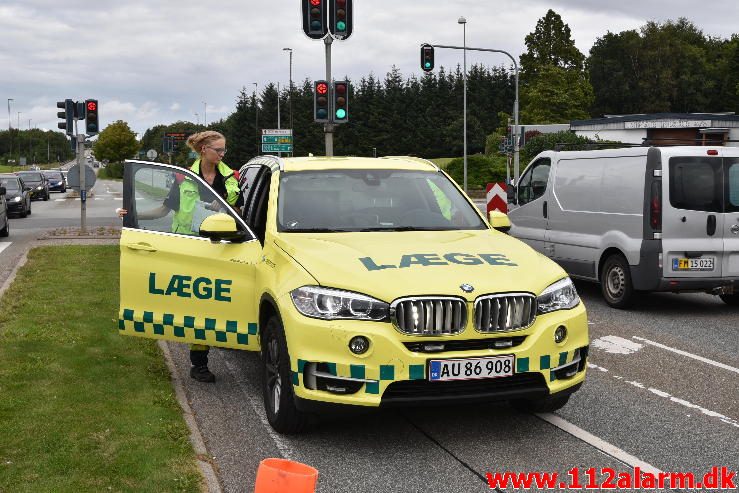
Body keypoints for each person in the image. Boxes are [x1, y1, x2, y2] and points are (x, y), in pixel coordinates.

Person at [117, 130, 242, 383]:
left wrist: (228, 209)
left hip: (225, 248)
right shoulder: (183, 178)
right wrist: (130, 215)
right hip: (191, 249)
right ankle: (199, 365)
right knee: (200, 307)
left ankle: (230, 337)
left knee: (225, 303)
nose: (222, 154)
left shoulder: (231, 177)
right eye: (218, 150)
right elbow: (164, 210)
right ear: (203, 150)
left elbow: (240, 212)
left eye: (223, 150)